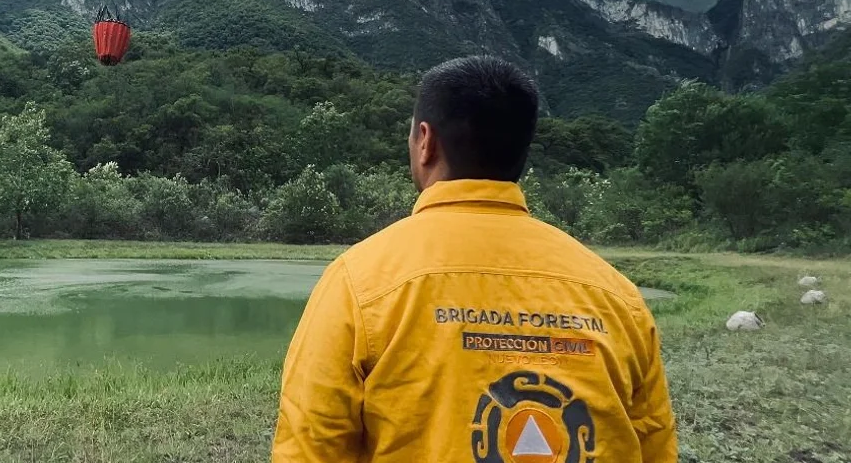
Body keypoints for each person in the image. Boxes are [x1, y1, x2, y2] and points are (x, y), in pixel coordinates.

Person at [270, 55, 677, 462]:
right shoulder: (618, 297)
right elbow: (655, 447)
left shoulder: (359, 282)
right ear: (521, 149)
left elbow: (309, 447)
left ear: (425, 141)